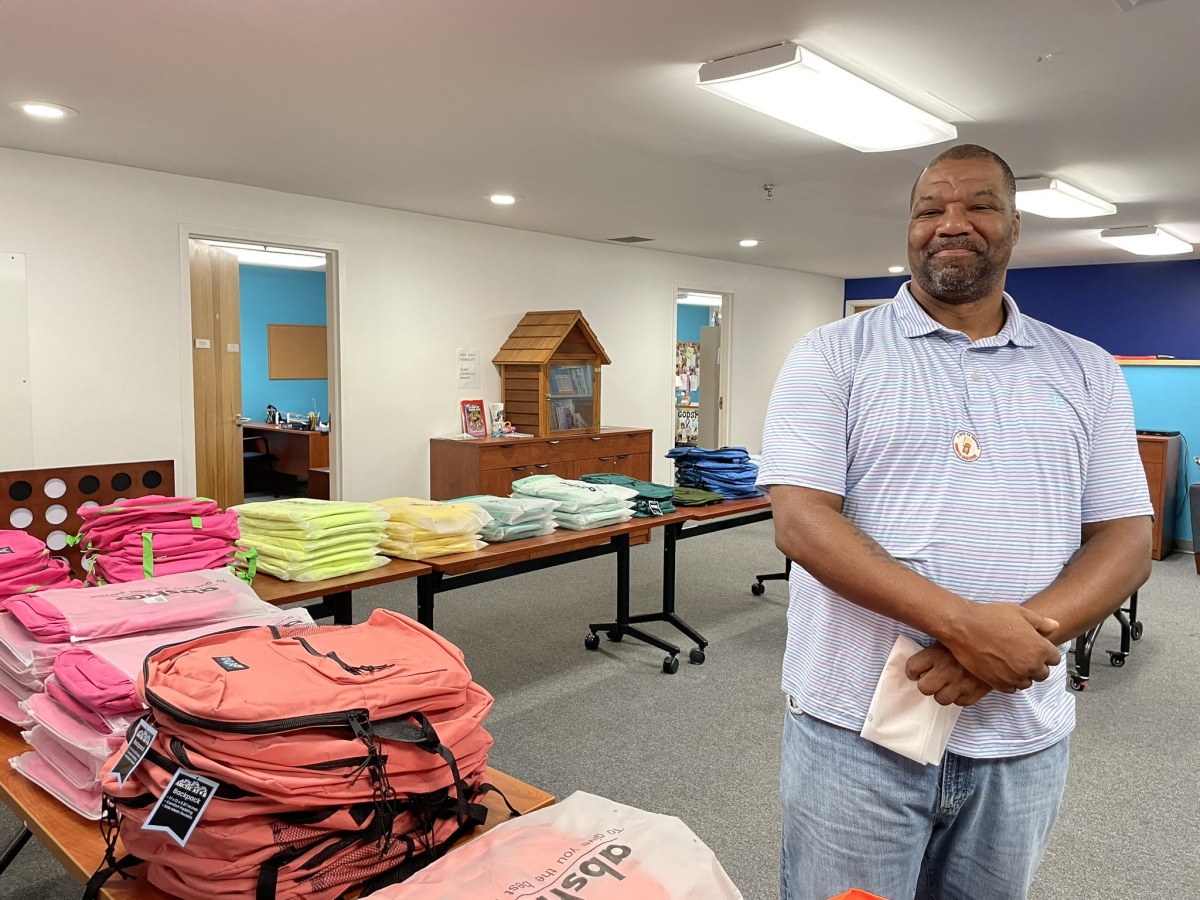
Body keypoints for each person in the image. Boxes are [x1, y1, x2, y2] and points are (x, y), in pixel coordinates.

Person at [757, 144, 1153, 900]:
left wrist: (1009, 639)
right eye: (930, 208)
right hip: (855, 734)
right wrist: (968, 628)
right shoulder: (832, 356)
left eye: (976, 204)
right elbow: (802, 525)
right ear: (909, 227)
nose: (951, 223)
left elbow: (1127, 538)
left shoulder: (1086, 368)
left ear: (1013, 224)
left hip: (1020, 736)